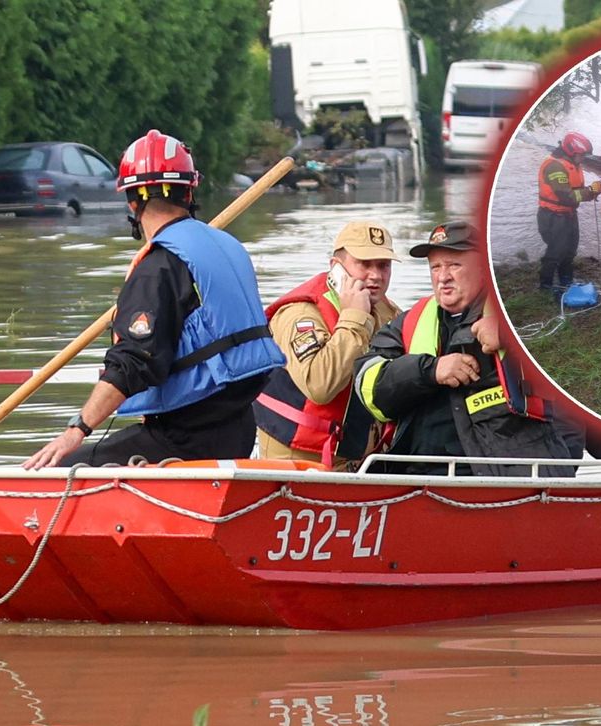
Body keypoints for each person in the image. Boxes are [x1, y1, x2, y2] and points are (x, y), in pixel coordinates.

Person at [23, 129, 284, 470]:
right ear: (189, 192)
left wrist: (77, 428)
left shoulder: (158, 268)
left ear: (132, 200)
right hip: (238, 428)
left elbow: (132, 362)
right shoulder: (228, 247)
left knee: (60, 467)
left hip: (184, 439)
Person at [352, 220, 574, 476]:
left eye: (454, 265)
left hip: (511, 478)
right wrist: (429, 371)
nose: (443, 276)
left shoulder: (516, 311)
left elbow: (576, 357)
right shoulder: (409, 322)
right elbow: (368, 386)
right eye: (435, 267)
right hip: (422, 478)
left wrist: (512, 335)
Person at [254, 221, 401, 468]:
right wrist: (354, 319)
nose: (375, 275)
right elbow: (320, 384)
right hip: (298, 460)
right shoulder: (300, 314)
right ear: (337, 268)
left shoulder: (389, 312)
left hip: (359, 458)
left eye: (383, 265)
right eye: (364, 264)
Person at [537, 131, 601, 293]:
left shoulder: (573, 164)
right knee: (556, 251)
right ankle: (545, 285)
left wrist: (593, 190)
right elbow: (566, 196)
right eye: (582, 155)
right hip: (553, 216)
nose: (583, 158)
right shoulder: (555, 166)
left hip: (568, 215)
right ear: (571, 151)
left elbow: (575, 191)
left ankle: (566, 279)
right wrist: (590, 191)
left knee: (570, 249)